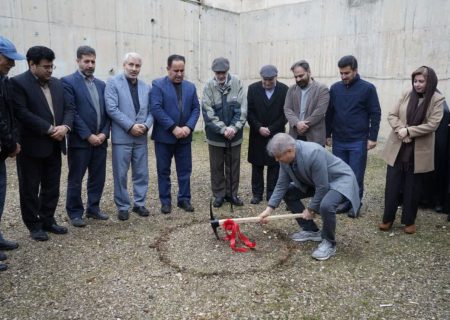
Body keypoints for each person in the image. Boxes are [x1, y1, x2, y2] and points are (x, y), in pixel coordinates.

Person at [258, 133, 360, 261]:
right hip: (314, 181)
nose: (277, 160)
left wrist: (311, 209)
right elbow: (281, 184)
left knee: (326, 205)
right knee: (289, 192)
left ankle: (329, 242)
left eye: (279, 156)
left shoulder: (313, 153)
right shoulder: (286, 158)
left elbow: (322, 187)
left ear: (290, 150)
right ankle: (311, 230)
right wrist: (269, 209)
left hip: (339, 180)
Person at [11, 46, 75, 241]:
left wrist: (65, 127)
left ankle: (48, 219)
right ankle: (34, 225)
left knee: (52, 185)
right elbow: (22, 112)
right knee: (30, 187)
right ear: (32, 65)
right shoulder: (17, 83)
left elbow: (69, 108)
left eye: (52, 66)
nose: (50, 70)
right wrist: (49, 129)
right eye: (46, 67)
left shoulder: (56, 83)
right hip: (32, 146)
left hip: (55, 144)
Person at [379, 66, 444, 234]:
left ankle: (409, 221)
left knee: (412, 187)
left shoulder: (437, 99)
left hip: (419, 150)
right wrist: (402, 129)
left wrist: (409, 131)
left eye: (421, 81)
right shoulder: (407, 93)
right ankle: (387, 218)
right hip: (398, 147)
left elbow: (433, 125)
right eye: (415, 81)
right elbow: (392, 115)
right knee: (392, 184)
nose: (417, 84)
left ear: (430, 82)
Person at [62, 46, 111, 227]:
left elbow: (107, 113)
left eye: (93, 61)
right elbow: (71, 112)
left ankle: (94, 208)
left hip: (101, 140)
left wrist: (104, 133)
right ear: (78, 61)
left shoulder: (101, 85)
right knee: (76, 178)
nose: (90, 65)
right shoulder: (67, 82)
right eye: (86, 61)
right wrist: (88, 135)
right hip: (80, 142)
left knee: (98, 177)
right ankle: (75, 212)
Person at [326, 55, 381, 215]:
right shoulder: (335, 88)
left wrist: (373, 137)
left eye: (347, 73)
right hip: (339, 139)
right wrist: (327, 134)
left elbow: (375, 113)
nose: (343, 77)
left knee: (356, 174)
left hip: (358, 140)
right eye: (341, 73)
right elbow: (330, 112)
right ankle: (344, 202)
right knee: (341, 173)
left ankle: (355, 204)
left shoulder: (368, 88)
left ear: (355, 71)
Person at [105, 52, 153, 221]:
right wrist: (130, 126)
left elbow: (151, 111)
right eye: (130, 65)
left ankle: (139, 203)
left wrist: (146, 125)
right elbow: (111, 108)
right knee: (121, 174)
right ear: (124, 65)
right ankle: (123, 206)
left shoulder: (145, 87)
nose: (134, 69)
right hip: (122, 137)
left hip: (141, 136)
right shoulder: (112, 83)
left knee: (141, 173)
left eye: (137, 65)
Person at [150, 54, 200, 215]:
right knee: (163, 170)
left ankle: (184, 199)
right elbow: (156, 108)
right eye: (175, 70)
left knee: (185, 170)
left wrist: (188, 127)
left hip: (185, 137)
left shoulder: (191, 87)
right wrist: (173, 128)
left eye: (182, 70)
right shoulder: (157, 85)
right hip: (164, 137)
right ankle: (165, 201)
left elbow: (195, 109)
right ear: (168, 69)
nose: (179, 74)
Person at [202, 57, 247, 208]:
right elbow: (208, 112)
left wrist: (234, 128)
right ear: (214, 72)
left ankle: (232, 194)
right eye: (217, 73)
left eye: (223, 72)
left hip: (235, 135)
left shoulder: (237, 82)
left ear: (228, 71)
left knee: (233, 165)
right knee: (216, 166)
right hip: (215, 136)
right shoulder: (208, 86)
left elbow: (242, 109)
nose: (220, 76)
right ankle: (219, 195)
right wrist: (223, 129)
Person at [247, 65, 288, 204]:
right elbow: (249, 112)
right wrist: (259, 127)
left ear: (276, 77)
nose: (267, 83)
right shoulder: (253, 89)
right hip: (257, 133)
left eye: (270, 80)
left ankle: (272, 193)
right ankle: (257, 194)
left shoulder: (284, 90)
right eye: (265, 80)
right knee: (257, 164)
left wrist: (272, 128)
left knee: (274, 164)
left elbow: (285, 114)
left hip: (276, 134)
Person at [0, 36, 24, 271]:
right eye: (8, 59)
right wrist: (10, 143)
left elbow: (10, 114)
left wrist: (12, 142)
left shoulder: (4, 80)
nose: (12, 64)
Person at [284, 60, 329, 146]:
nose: (298, 79)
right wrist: (297, 123)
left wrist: (303, 125)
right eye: (295, 77)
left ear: (309, 72)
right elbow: (287, 109)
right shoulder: (291, 89)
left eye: (301, 76)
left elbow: (320, 112)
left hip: (315, 137)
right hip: (295, 136)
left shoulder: (322, 89)